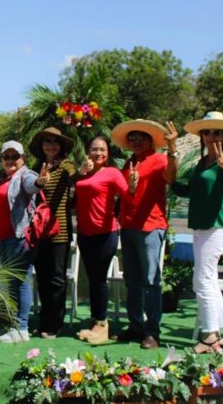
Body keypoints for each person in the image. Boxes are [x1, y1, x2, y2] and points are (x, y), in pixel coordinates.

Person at [170, 112, 223, 354]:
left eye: (217, 131)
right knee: (206, 278)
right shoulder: (200, 164)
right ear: (202, 136)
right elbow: (186, 189)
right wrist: (170, 174)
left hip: (218, 225)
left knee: (202, 279)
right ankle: (216, 333)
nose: (212, 136)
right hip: (201, 227)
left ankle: (210, 336)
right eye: (207, 131)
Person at [110, 119, 177, 349]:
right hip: (128, 226)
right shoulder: (129, 163)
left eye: (142, 137)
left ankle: (152, 331)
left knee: (150, 280)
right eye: (133, 138)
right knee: (132, 280)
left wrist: (173, 151)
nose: (137, 141)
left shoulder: (159, 159)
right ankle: (136, 326)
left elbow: (171, 177)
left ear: (150, 140)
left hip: (151, 226)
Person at [0, 141, 48, 343]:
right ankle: (15, 325)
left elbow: (32, 186)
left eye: (15, 156)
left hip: (20, 238)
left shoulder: (26, 175)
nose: (11, 160)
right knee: (12, 282)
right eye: (7, 156)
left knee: (21, 281)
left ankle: (21, 327)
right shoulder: (1, 179)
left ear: (23, 159)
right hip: (3, 239)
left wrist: (40, 182)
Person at [73, 135, 130, 345]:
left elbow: (127, 195)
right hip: (84, 233)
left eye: (102, 150)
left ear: (108, 153)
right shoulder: (83, 173)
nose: (98, 153)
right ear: (88, 152)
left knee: (99, 278)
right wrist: (80, 174)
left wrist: (133, 185)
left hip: (105, 233)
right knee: (92, 278)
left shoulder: (112, 173)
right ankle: (97, 318)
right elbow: (74, 198)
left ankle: (102, 323)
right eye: (94, 149)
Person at [28, 127, 77, 339]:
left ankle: (55, 322)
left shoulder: (67, 166)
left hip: (60, 230)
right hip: (39, 230)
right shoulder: (36, 168)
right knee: (43, 277)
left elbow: (78, 179)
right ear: (41, 146)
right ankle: (44, 319)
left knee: (57, 278)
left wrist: (84, 171)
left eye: (55, 142)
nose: (51, 145)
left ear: (61, 147)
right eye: (47, 142)